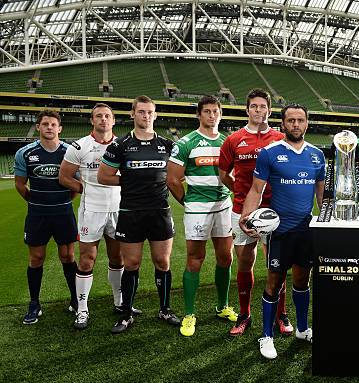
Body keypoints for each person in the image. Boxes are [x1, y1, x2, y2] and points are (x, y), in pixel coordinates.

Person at [239, 104, 325, 359]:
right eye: (291, 120)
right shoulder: (269, 153)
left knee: (301, 281)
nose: (296, 125)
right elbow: (257, 190)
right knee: (274, 282)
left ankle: (301, 328)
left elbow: (321, 192)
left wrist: (327, 222)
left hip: (305, 230)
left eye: (300, 120)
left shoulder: (317, 155)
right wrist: (247, 217)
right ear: (283, 124)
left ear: (307, 123)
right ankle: (267, 335)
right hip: (280, 231)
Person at [98, 95, 180, 333]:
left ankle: (165, 309)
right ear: (133, 114)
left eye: (150, 112)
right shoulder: (120, 145)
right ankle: (126, 314)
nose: (145, 116)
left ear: (155, 115)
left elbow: (178, 174)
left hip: (160, 211)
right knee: (131, 263)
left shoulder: (167, 145)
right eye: (141, 112)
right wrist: (129, 181)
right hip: (131, 212)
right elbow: (103, 176)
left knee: (162, 262)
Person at [59, 103, 141, 330]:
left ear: (114, 121)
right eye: (98, 116)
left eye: (107, 116)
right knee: (87, 260)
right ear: (92, 121)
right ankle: (82, 310)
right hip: (91, 210)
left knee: (118, 259)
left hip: (118, 209)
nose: (103, 119)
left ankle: (119, 302)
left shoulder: (124, 145)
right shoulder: (80, 146)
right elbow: (64, 177)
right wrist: (87, 189)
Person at [218, 88, 292, 337]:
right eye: (254, 106)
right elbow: (223, 174)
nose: (258, 111)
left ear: (269, 111)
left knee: (276, 263)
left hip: (275, 211)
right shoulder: (233, 139)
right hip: (242, 210)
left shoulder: (281, 138)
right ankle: (244, 314)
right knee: (245, 261)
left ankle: (281, 314)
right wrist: (240, 193)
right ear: (247, 109)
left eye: (263, 107)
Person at [166, 95, 237, 337]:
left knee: (225, 257)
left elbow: (233, 174)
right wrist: (189, 202)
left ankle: (222, 306)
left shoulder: (229, 142)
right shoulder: (186, 143)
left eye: (215, 111)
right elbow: (173, 179)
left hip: (224, 205)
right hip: (198, 207)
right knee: (195, 258)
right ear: (199, 115)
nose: (211, 115)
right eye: (206, 111)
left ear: (220, 114)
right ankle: (189, 313)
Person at [14, 110, 79, 325]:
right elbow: (20, 185)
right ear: (39, 127)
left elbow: (75, 185)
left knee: (68, 257)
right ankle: (34, 304)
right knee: (36, 258)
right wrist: (36, 201)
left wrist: (62, 201)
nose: (49, 127)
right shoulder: (25, 153)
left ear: (60, 128)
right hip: (37, 215)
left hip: (63, 213)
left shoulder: (70, 152)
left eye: (53, 124)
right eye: (45, 124)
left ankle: (75, 300)